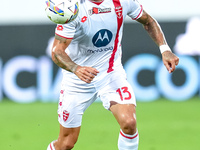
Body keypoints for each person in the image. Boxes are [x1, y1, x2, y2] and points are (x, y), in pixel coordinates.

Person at [47, 0, 179, 149]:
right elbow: (57, 52)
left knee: (129, 122)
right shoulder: (73, 8)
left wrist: (165, 49)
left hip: (110, 74)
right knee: (66, 144)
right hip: (77, 81)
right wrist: (76, 68)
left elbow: (148, 21)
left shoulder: (123, 2)